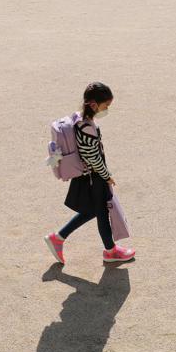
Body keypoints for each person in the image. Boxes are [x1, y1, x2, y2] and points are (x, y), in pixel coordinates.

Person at [43, 82, 136, 265]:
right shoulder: (87, 128)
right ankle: (110, 251)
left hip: (88, 176)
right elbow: (92, 156)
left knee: (94, 210)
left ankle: (59, 238)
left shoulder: (80, 119)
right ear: (94, 105)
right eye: (106, 106)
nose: (107, 109)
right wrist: (106, 175)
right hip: (94, 177)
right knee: (100, 212)